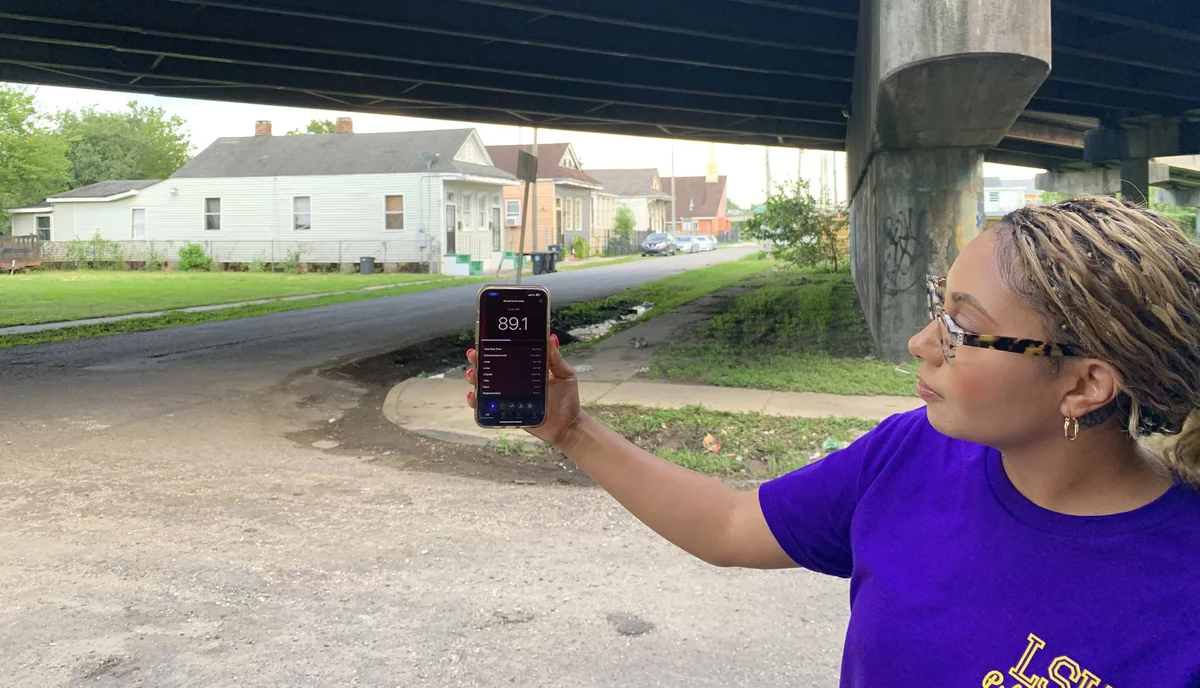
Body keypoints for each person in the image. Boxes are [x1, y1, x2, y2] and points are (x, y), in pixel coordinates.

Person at [465, 197, 1200, 687]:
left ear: (1085, 385)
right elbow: (729, 524)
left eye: (961, 331)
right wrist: (570, 429)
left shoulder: (1181, 590)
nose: (921, 344)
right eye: (935, 309)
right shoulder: (911, 454)